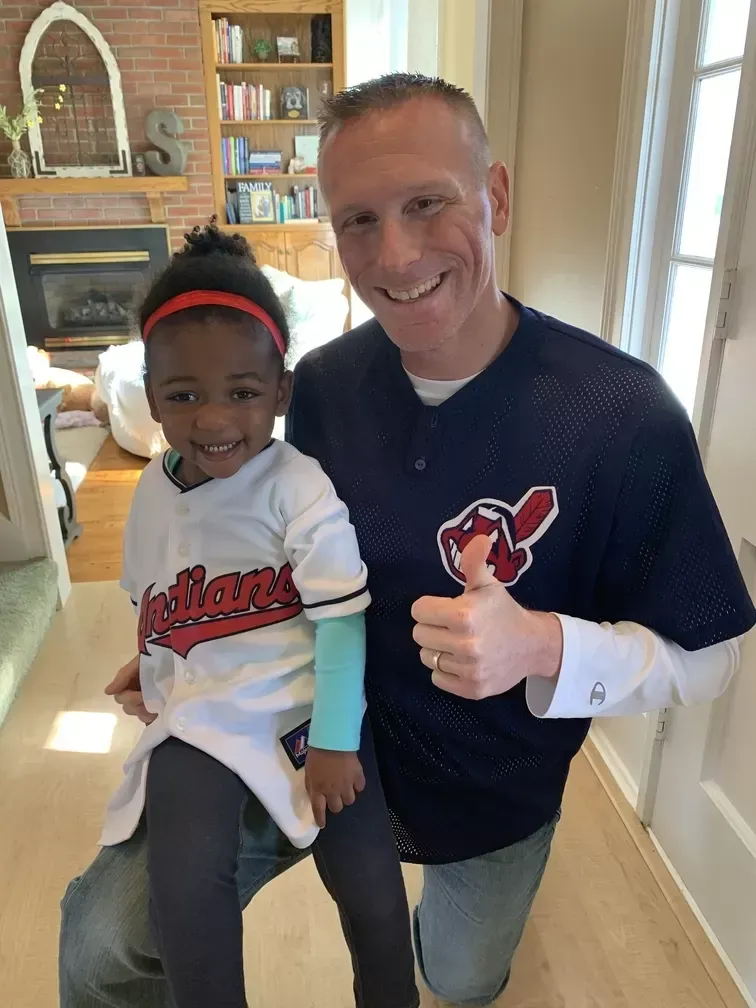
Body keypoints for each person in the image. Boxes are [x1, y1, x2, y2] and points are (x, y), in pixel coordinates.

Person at [60, 74, 756, 1007]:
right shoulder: (312, 390)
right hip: (296, 734)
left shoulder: (621, 417)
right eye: (358, 221)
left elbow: (708, 659)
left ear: (495, 198)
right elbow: (235, 536)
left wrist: (544, 644)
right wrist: (180, 645)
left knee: (458, 977)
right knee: (104, 940)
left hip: (487, 785)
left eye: (428, 204)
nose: (395, 253)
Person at [67, 222, 418, 1008]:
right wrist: (154, 664)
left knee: (372, 896)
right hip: (205, 717)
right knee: (184, 891)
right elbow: (150, 596)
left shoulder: (299, 486)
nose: (215, 419)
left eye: (243, 392)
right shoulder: (152, 490)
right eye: (184, 395)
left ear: (281, 392)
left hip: (308, 705)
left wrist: (332, 741)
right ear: (149, 398)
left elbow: (341, 621)